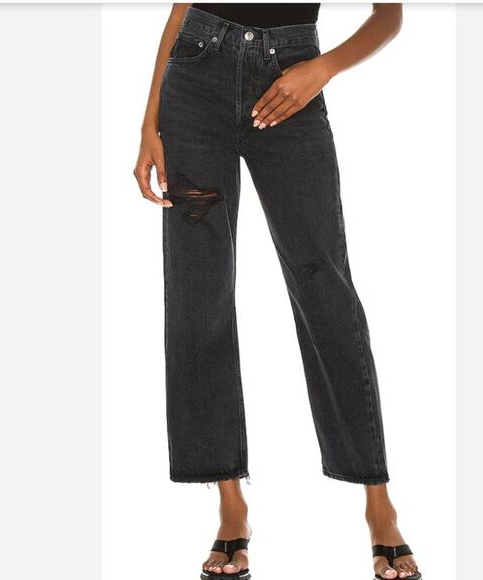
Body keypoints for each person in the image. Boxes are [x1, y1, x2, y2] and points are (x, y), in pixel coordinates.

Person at [134, 3, 421, 579]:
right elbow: (182, 7)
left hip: (292, 76)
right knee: (198, 294)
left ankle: (378, 502)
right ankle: (230, 504)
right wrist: (149, 123)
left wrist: (323, 68)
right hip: (194, 81)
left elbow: (389, 14)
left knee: (326, 288)